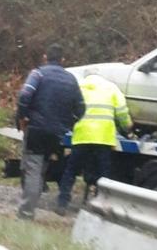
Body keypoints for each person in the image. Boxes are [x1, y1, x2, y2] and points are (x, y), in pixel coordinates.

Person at [16, 43, 85, 220]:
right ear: (63, 60)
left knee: (33, 169)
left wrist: (23, 116)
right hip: (57, 134)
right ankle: (31, 206)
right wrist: (69, 124)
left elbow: (25, 95)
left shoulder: (38, 74)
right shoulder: (71, 79)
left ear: (45, 57)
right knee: (43, 168)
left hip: (36, 129)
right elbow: (81, 108)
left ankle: (26, 213)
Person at [55, 70, 132, 216]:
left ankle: (62, 203)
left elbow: (68, 109)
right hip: (103, 138)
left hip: (82, 136)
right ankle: (101, 206)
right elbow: (122, 112)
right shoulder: (111, 88)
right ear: (102, 76)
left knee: (71, 171)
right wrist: (128, 127)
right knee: (104, 175)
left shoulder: (79, 87)